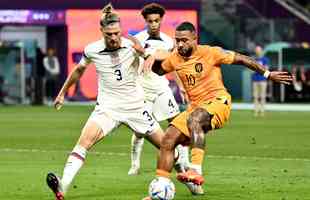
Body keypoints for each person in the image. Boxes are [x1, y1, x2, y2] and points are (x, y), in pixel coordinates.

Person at [142, 22, 293, 199]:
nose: (180, 44)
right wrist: (149, 56)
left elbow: (242, 59)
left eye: (184, 40)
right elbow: (159, 70)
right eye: (177, 40)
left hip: (218, 102)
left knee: (195, 119)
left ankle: (195, 170)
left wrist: (267, 74)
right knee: (168, 140)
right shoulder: (175, 58)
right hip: (195, 107)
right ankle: (160, 189)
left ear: (194, 39)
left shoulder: (211, 52)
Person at [46, 4, 169, 200]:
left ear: (121, 30)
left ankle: (188, 178)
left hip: (136, 107)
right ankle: (63, 186)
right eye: (109, 34)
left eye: (117, 33)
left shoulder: (132, 44)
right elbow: (78, 70)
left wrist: (148, 54)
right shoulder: (92, 49)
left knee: (166, 146)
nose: (113, 37)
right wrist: (62, 93)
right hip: (107, 108)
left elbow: (163, 58)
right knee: (82, 143)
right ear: (101, 31)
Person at [128, 2, 189, 176]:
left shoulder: (169, 41)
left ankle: (184, 160)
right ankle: (135, 164)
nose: (153, 24)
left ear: (161, 19)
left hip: (161, 87)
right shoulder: (138, 40)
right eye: (150, 21)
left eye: (156, 20)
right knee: (140, 131)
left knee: (177, 123)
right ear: (145, 21)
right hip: (143, 89)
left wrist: (181, 86)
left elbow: (173, 65)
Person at [252, 45, 270, 117]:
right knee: (255, 96)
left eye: (259, 50)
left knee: (262, 96)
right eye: (256, 50)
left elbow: (266, 69)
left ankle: (262, 110)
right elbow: (252, 70)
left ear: (261, 51)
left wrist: (257, 69)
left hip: (262, 80)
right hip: (255, 80)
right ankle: (256, 111)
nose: (257, 51)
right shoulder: (253, 59)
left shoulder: (265, 59)